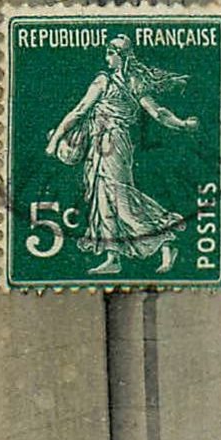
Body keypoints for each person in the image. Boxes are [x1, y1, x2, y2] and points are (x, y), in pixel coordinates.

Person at [45, 35, 199, 275]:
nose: (107, 58)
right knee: (102, 199)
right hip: (100, 145)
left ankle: (165, 241)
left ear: (121, 55)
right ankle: (113, 257)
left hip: (114, 144)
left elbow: (80, 111)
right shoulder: (115, 81)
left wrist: (181, 124)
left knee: (120, 200)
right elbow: (156, 112)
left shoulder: (111, 82)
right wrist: (182, 124)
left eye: (110, 52)